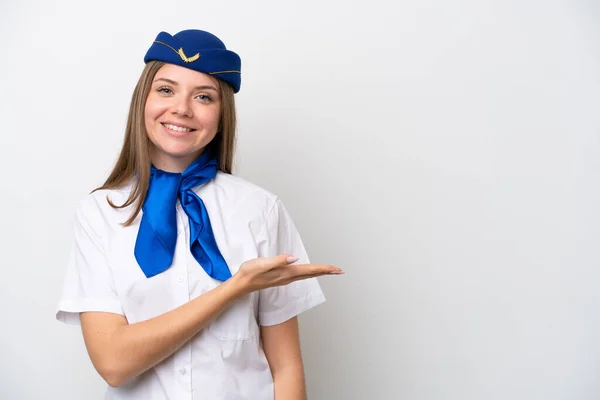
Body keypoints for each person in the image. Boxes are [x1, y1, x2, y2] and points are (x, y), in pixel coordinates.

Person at [55, 29, 342, 400]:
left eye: (203, 97)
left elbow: (286, 368)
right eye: (166, 90)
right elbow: (113, 362)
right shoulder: (100, 213)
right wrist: (235, 288)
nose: (182, 109)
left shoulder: (260, 209)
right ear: (142, 101)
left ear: (222, 116)